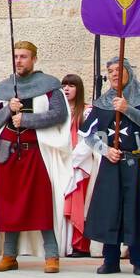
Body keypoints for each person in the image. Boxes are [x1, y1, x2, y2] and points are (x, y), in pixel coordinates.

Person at [0, 41, 68, 273]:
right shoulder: (4, 88)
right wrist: (7, 109)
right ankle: (9, 255)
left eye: (24, 56)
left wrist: (27, 120)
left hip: (35, 151)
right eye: (16, 56)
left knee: (41, 203)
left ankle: (51, 255)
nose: (19, 61)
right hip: (9, 152)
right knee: (9, 203)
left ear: (34, 59)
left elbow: (59, 114)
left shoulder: (49, 85)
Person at [79, 58, 140, 275]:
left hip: (138, 162)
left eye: (119, 70)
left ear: (129, 72)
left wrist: (128, 109)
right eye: (110, 71)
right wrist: (105, 150)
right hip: (112, 163)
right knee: (110, 210)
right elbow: (88, 135)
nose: (114, 74)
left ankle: (139, 260)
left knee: (135, 210)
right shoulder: (103, 103)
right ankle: (110, 260)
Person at [61, 73, 93, 258]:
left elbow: (91, 138)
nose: (66, 89)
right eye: (64, 85)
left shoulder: (87, 111)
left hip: (81, 163)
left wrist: (74, 159)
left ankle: (81, 244)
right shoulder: (59, 111)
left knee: (80, 201)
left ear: (78, 89)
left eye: (71, 85)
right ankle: (67, 244)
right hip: (62, 161)